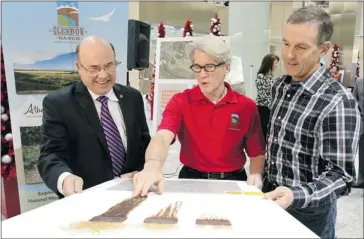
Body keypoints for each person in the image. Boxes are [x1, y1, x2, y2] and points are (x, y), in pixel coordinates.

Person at [262, 6, 362, 239]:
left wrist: (296, 195)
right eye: (286, 44)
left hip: (308, 213)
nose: (288, 55)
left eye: (301, 47)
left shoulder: (338, 102)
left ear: (323, 49)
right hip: (270, 199)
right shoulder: (281, 86)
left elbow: (341, 177)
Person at [132, 35, 266, 196]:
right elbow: (162, 137)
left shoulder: (246, 106)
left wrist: (256, 175)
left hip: (233, 180)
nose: (202, 74)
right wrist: (152, 166)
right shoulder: (181, 101)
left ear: (227, 68)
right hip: (191, 179)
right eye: (197, 67)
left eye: (209, 67)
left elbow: (256, 151)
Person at [38, 36, 151, 198]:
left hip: (132, 195)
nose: (103, 75)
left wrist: (143, 172)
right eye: (94, 68)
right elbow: (50, 155)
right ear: (79, 67)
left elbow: (143, 145)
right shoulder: (59, 104)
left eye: (109, 66)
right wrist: (65, 179)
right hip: (86, 199)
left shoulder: (132, 97)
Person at [255, 53, 280, 140]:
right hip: (263, 108)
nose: (277, 65)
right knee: (263, 130)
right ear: (269, 63)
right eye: (275, 63)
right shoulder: (261, 76)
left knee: (268, 130)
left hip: (270, 108)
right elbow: (263, 95)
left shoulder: (272, 77)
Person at [353, 77, 364, 188]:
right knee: (362, 153)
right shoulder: (360, 81)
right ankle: (361, 180)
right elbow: (354, 101)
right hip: (362, 122)